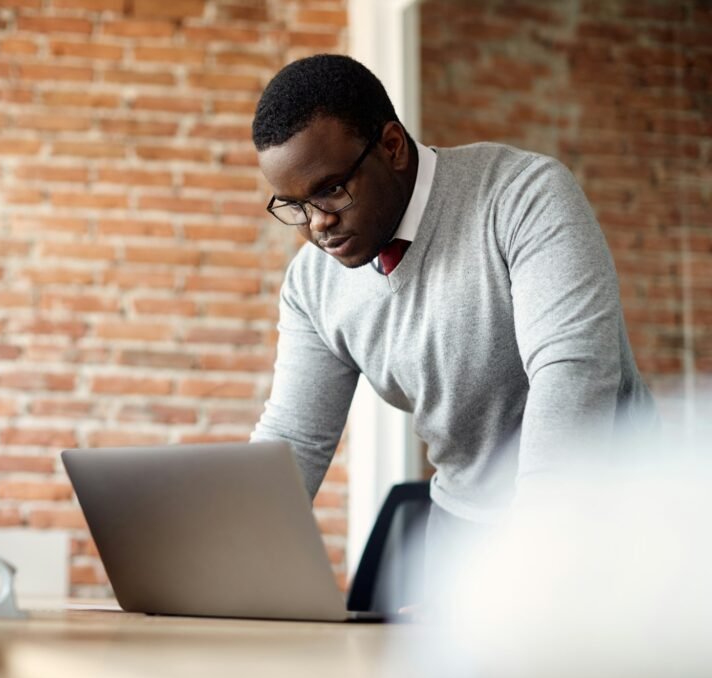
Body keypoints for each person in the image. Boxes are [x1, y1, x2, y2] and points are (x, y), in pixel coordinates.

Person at [248, 54, 657, 585]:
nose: (318, 224)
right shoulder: (313, 283)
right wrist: (228, 563)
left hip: (611, 520)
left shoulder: (523, 197)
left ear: (392, 147)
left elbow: (571, 376)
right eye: (294, 205)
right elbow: (294, 438)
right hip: (463, 532)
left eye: (331, 189)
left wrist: (530, 567)